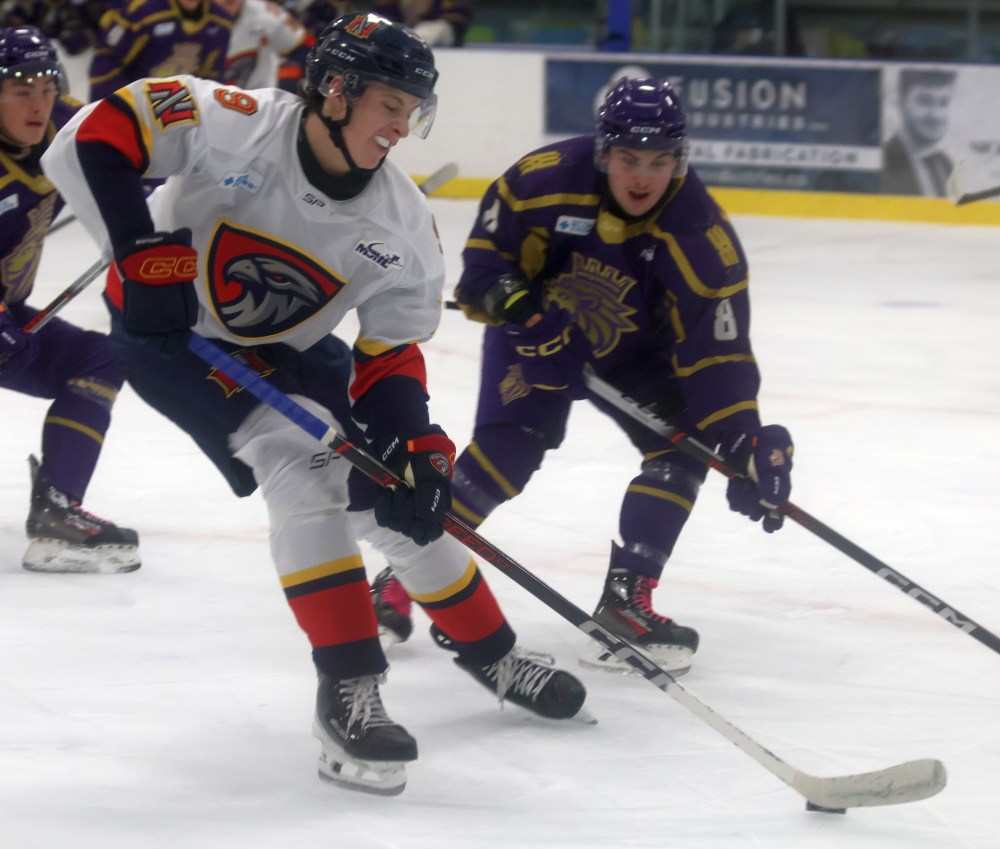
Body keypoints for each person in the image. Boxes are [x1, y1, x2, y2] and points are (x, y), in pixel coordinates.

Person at [42, 12, 586, 797]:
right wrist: (135, 249)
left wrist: (416, 440)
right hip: (170, 336)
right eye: (389, 105)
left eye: (412, 110)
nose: (402, 127)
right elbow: (100, 134)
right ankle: (348, 688)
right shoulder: (234, 122)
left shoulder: (403, 226)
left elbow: (390, 350)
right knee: (304, 459)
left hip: (292, 345)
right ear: (335, 90)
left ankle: (492, 651)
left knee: (394, 499)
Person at [372, 77, 794, 677]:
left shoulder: (700, 236)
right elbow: (485, 268)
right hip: (537, 334)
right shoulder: (542, 180)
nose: (642, 177)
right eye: (628, 159)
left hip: (640, 357)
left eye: (659, 160)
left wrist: (746, 439)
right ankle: (401, 576)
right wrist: (525, 315)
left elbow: (716, 358)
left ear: (681, 159)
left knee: (685, 452)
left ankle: (626, 603)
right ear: (603, 153)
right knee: (508, 451)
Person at [0, 25, 139, 574]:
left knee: (98, 359)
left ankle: (59, 507)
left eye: (46, 87)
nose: (39, 104)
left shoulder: (67, 124)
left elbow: (140, 159)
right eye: (20, 90)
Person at [87, 0, 235, 101]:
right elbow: (105, 65)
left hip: (176, 115)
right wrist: (112, 111)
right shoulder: (141, 11)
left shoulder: (222, 23)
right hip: (130, 107)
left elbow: (212, 83)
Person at [881, 68, 956, 197]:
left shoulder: (945, 164)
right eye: (925, 101)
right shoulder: (882, 161)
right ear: (901, 102)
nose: (936, 115)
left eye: (943, 103)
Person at [217, 0, 313, 92]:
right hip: (211, 98)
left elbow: (308, 48)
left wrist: (285, 83)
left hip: (261, 100)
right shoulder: (203, 22)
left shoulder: (267, 14)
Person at [371, 1, 474, 47]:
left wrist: (426, 14)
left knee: (437, 27)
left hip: (444, 29)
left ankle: (406, 45)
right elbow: (381, 14)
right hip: (404, 27)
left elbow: (461, 15)